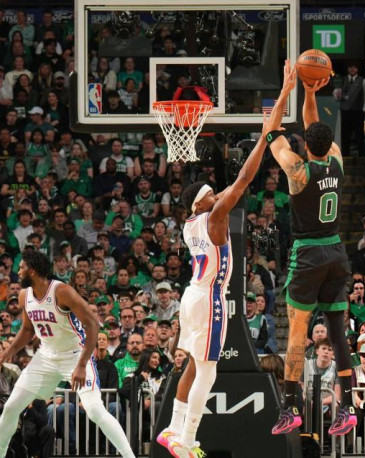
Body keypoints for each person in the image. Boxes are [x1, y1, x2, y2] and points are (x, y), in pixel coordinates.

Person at [154, 66, 275, 457]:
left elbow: (225, 191)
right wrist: (264, 137)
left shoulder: (192, 222)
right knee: (208, 370)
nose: (216, 194)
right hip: (209, 299)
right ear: (201, 202)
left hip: (193, 296)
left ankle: (173, 431)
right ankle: (186, 438)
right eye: (210, 193)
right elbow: (242, 181)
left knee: (193, 365)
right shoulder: (213, 217)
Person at [266, 66, 357, 437]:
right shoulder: (336, 157)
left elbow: (272, 132)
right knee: (337, 333)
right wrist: (310, 92)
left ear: (305, 145)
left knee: (297, 332)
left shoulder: (297, 170)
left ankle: (291, 407)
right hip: (336, 250)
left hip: (307, 253)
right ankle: (348, 407)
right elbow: (314, 125)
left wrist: (286, 90)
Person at [0, 250, 135, 458]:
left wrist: (82, 364)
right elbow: (28, 330)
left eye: (21, 268)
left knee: (95, 410)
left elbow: (93, 324)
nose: (18, 272)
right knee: (11, 407)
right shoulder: (24, 295)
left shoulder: (62, 291)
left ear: (32, 270)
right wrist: (6, 353)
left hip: (75, 355)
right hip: (45, 356)